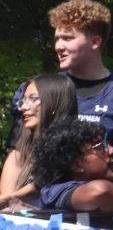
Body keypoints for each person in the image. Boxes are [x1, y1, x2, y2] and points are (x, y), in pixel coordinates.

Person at [9, 0, 113, 184]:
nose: (58, 46)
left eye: (68, 38)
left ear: (95, 41)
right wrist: (7, 203)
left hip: (104, 206)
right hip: (44, 205)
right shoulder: (42, 91)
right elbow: (19, 155)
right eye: (57, 38)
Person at [0, 73, 77, 207]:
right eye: (23, 100)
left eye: (33, 99)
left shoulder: (74, 147)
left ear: (54, 102)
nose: (24, 107)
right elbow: (7, 202)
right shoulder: (20, 150)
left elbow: (36, 187)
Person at [29, 119, 113, 211]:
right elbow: (100, 191)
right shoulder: (55, 192)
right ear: (77, 165)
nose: (112, 150)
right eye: (99, 147)